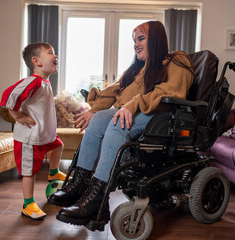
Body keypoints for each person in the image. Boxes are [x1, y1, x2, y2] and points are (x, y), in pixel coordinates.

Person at [48, 21, 194, 226]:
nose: (135, 44)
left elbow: (169, 92)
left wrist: (132, 105)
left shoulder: (176, 60)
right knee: (100, 119)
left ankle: (97, 203)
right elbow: (117, 91)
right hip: (142, 113)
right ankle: (78, 186)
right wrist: (95, 110)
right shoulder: (140, 68)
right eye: (134, 40)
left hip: (162, 118)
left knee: (119, 122)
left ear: (157, 39)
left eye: (141, 38)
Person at [0, 42, 68, 220]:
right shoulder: (34, 81)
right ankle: (28, 204)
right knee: (29, 173)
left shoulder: (44, 81)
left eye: (55, 53)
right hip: (30, 137)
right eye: (50, 53)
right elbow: (9, 95)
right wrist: (18, 116)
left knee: (58, 146)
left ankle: (53, 173)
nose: (55, 56)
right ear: (36, 61)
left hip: (44, 135)